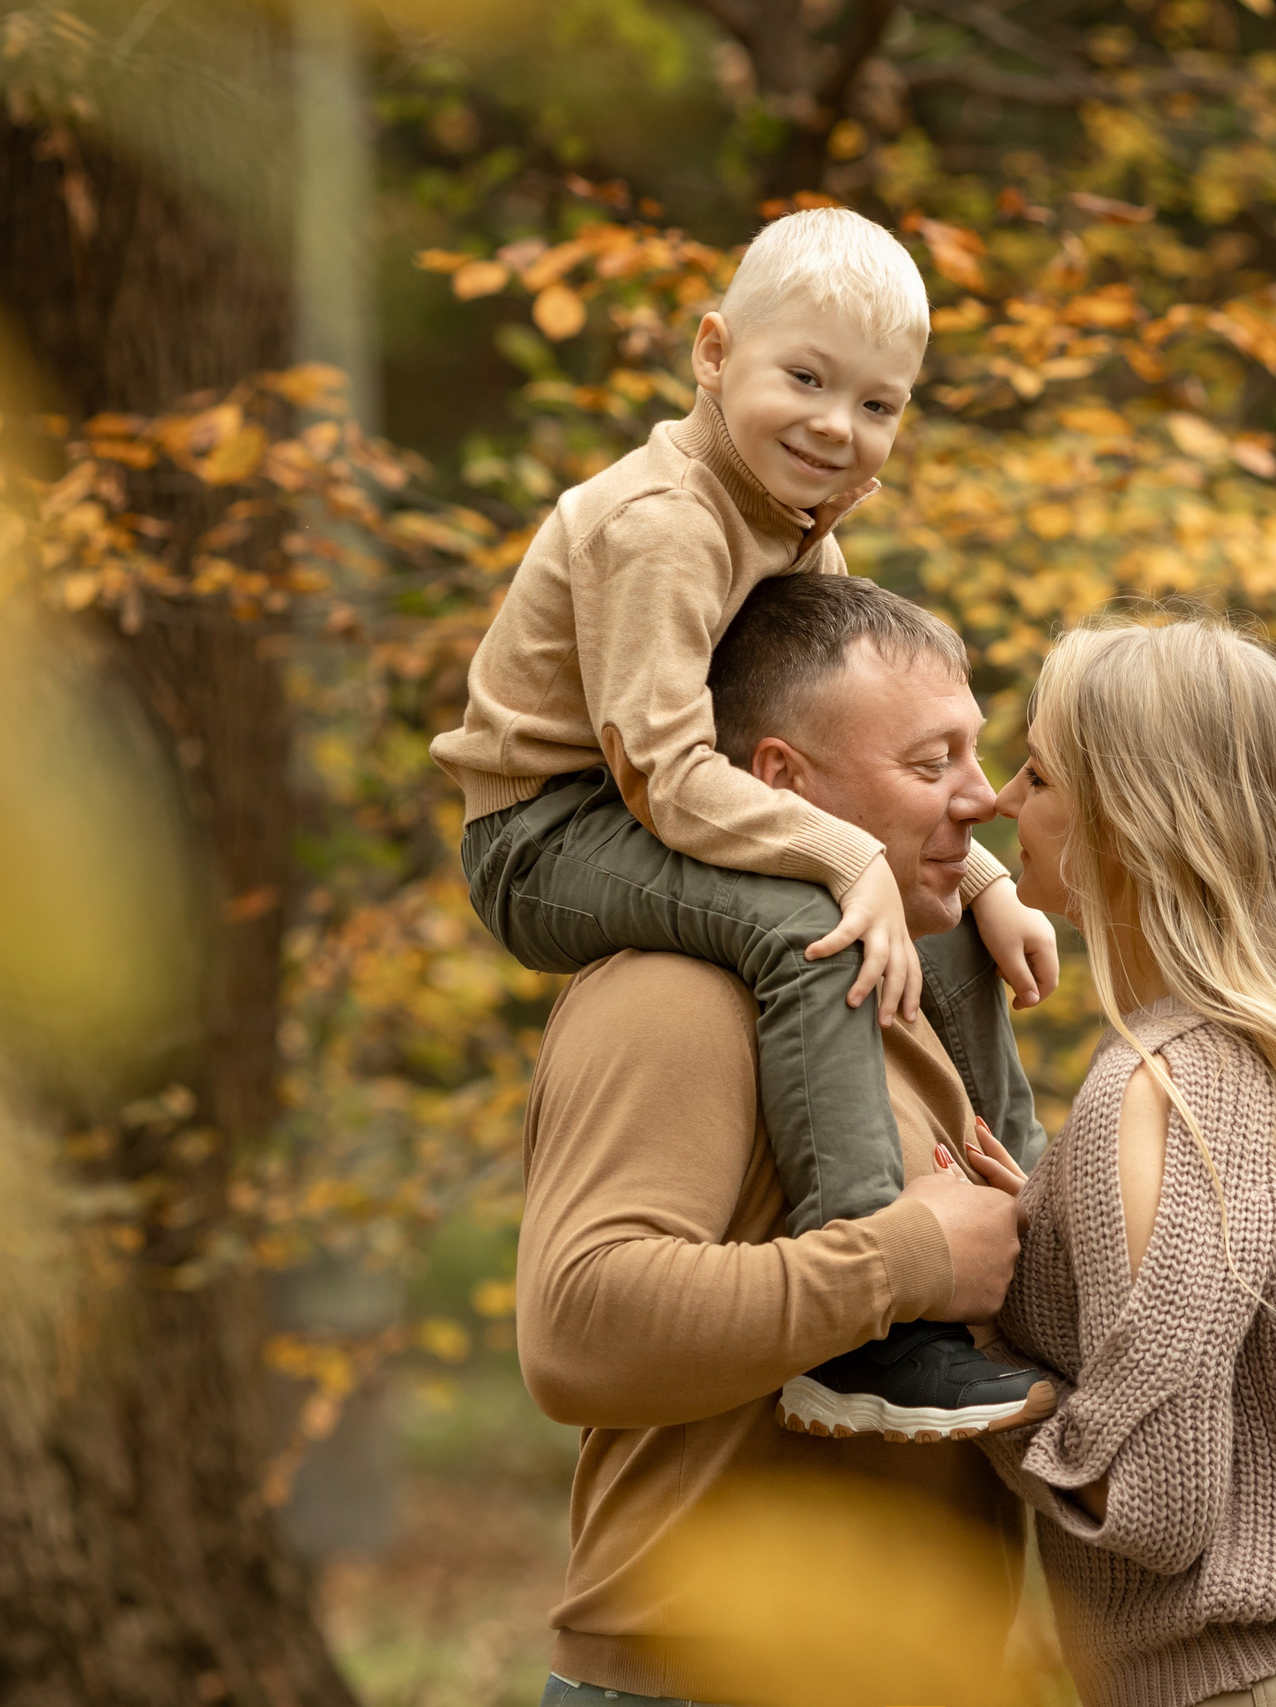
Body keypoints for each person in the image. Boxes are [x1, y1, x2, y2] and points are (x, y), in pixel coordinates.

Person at [433, 206, 1059, 1439]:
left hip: (652, 802)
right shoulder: (662, 525)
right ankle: (877, 1313)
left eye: (878, 406)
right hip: (545, 831)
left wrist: (980, 880)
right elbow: (666, 773)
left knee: (928, 908)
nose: (838, 427)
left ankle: (1023, 1204)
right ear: (715, 355)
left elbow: (815, 738)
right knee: (805, 922)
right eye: (806, 379)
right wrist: (837, 856)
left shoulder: (798, 526)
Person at [515, 573, 1058, 1707]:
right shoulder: (677, 994)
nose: (980, 800)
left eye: (977, 755)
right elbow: (577, 1327)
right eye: (928, 765)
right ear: (779, 785)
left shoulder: (894, 988)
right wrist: (907, 1259)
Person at [961, 617, 1276, 1707]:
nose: (1004, 799)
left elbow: (1158, 1501)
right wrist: (1035, 1250)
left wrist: (970, 1355)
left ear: (1130, 822)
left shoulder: (1158, 1086)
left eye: (1041, 772)